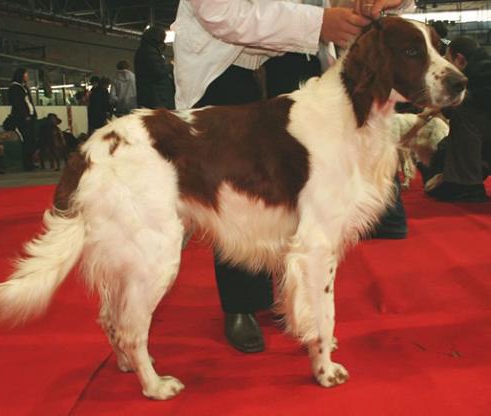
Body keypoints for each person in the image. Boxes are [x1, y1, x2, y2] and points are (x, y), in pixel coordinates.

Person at [172, 0, 411, 353]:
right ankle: (242, 303)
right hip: (226, 66)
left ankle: (300, 299)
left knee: (311, 199)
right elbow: (219, 12)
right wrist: (319, 23)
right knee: (240, 193)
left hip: (300, 59)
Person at [426, 36, 491, 202]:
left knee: (463, 109)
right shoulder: (481, 69)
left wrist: (444, 105)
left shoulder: (483, 72)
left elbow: (464, 108)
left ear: (460, 59)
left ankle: (466, 185)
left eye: (448, 61)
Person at [134, 26, 175, 109]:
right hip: (157, 97)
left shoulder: (145, 50)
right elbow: (158, 72)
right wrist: (171, 65)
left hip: (151, 96)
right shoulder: (150, 51)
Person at [8, 68, 38, 171]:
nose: (27, 76)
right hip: (23, 118)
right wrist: (25, 115)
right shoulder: (15, 88)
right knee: (27, 140)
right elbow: (18, 104)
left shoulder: (23, 87)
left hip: (30, 116)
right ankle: (27, 163)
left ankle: (30, 161)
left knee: (31, 140)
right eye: (26, 74)